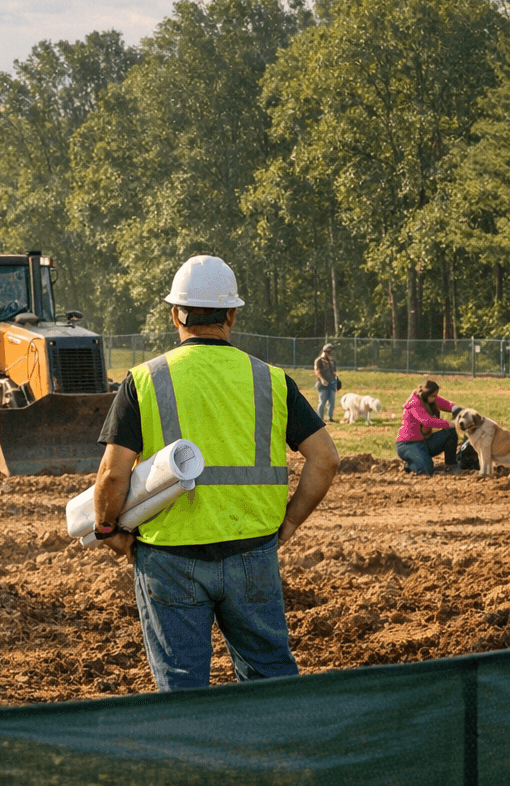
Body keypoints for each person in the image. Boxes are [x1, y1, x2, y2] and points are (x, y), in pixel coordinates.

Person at [92, 255, 340, 692]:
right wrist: (289, 523)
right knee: (270, 682)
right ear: (231, 315)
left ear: (175, 314)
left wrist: (106, 527)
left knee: (183, 689)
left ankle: (198, 761)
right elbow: (325, 459)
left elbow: (113, 475)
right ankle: (280, 755)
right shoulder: (271, 379)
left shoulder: (144, 379)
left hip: (169, 558)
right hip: (252, 553)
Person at [395, 379, 467, 475]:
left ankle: (451, 465)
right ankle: (410, 464)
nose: (435, 398)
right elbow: (427, 421)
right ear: (426, 394)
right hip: (408, 444)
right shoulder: (414, 403)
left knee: (450, 432)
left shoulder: (429, 398)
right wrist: (449, 423)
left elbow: (447, 405)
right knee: (426, 471)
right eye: (433, 395)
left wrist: (458, 410)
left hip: (423, 442)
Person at [312, 344, 338, 421]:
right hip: (322, 384)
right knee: (322, 401)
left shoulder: (331, 360)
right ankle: (320, 418)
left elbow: (334, 370)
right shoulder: (318, 360)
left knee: (332, 401)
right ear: (324, 351)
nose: (330, 354)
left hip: (332, 383)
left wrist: (335, 377)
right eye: (329, 352)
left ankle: (330, 417)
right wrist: (322, 379)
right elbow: (317, 371)